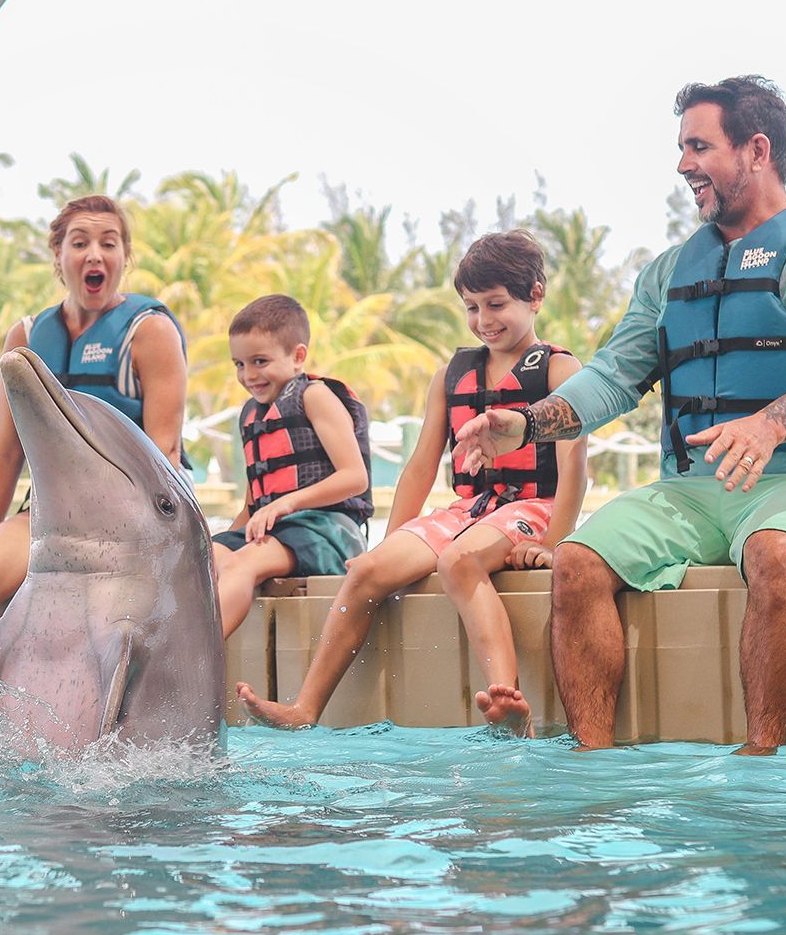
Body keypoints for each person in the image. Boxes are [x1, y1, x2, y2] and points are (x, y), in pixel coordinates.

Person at [457, 76, 786, 754]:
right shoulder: (669, 273)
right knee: (575, 561)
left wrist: (770, 423)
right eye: (681, 147)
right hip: (692, 492)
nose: (683, 164)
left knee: (774, 552)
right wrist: (524, 422)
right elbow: (613, 374)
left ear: (757, 149)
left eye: (699, 146)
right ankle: (593, 766)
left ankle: (760, 762)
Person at [239, 230, 587, 733]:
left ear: (535, 296)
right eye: (471, 307)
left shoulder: (558, 369)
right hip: (471, 508)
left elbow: (575, 460)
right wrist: (392, 540)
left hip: (534, 505)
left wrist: (556, 543)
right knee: (365, 572)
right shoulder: (452, 374)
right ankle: (304, 709)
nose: (483, 321)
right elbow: (423, 464)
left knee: (460, 562)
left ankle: (509, 705)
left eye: (496, 304)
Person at [0, 194, 188, 641]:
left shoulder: (149, 332)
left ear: (125, 257)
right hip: (49, 514)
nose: (95, 254)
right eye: (80, 242)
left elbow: (163, 453)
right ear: (58, 255)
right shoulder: (27, 337)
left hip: (132, 516)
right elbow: (7, 452)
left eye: (109, 244)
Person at [213, 294, 374, 638]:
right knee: (204, 558)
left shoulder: (313, 396)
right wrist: (229, 538)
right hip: (279, 532)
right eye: (239, 364)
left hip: (329, 530)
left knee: (242, 564)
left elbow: (354, 477)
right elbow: (253, 502)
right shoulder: (252, 414)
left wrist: (288, 502)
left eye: (259, 361)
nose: (248, 375)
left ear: (298, 356)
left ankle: (192, 660)